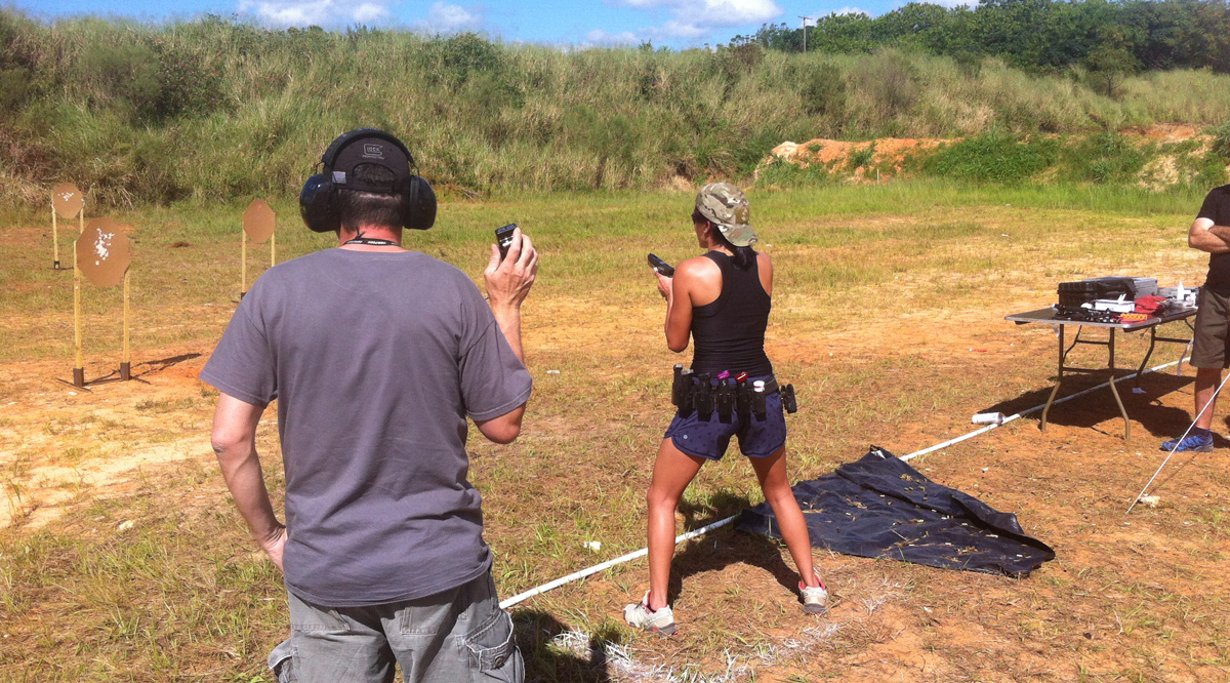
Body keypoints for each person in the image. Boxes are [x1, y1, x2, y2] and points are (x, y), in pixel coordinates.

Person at [202, 128, 537, 682]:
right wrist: (504, 302)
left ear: (324, 202)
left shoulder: (274, 290)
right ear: (413, 203)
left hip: (327, 573)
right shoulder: (452, 290)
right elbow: (502, 423)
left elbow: (228, 437)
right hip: (440, 569)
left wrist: (271, 538)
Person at [624, 183, 827, 636]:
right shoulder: (765, 264)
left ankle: (658, 605)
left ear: (708, 225)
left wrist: (674, 294)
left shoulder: (690, 274)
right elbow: (736, 312)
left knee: (661, 497)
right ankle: (811, 584)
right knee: (780, 492)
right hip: (761, 392)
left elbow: (677, 341)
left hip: (710, 398)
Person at [1162, 183, 1230, 452]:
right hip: (1215, 293)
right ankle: (1201, 434)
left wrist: (1216, 230)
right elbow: (1195, 238)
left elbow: (1207, 234)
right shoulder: (1218, 195)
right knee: (1208, 363)